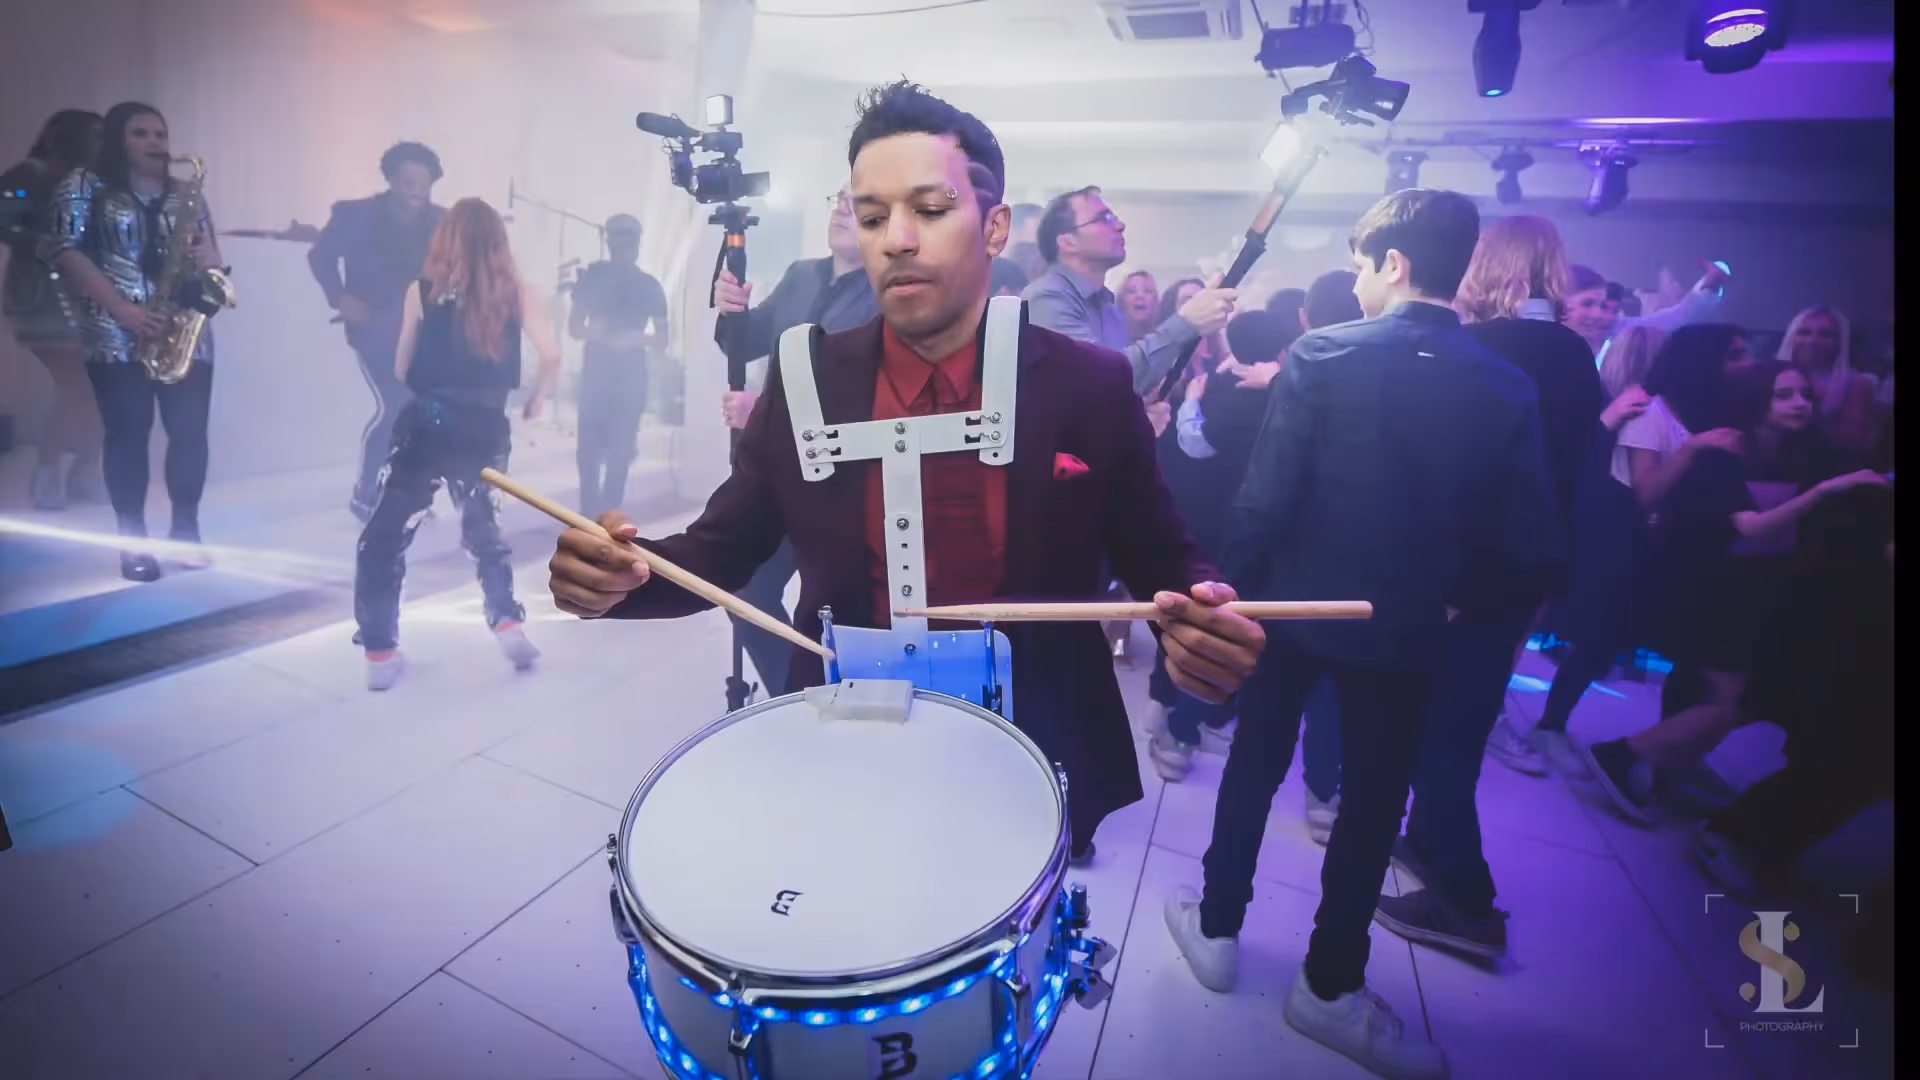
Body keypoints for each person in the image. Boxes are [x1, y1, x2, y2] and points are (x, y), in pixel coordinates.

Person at [547, 80, 1264, 866]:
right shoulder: (807, 377)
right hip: (846, 728)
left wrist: (1200, 622)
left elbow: (1160, 555)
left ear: (994, 228)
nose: (895, 240)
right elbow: (722, 548)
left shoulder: (1086, 383)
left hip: (1036, 735)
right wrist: (623, 576)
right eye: (871, 215)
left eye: (929, 209)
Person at [1164, 189, 1559, 1079]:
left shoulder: (1323, 353)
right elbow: (1531, 540)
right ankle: (1330, 984)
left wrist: (1231, 592)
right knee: (1373, 804)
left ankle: (1217, 931)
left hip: (1291, 609)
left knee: (1253, 769)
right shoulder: (1506, 383)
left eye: (1358, 266)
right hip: (1408, 625)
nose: (1356, 281)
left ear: (1393, 263)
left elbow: (1265, 498)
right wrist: (1457, 603)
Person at [1369, 215, 1607, 960]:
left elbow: (1461, 482)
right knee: (1460, 720)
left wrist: (1444, 582)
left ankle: (1466, 902)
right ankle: (1426, 842)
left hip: (1467, 578)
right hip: (1523, 572)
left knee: (1441, 732)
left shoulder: (1490, 349)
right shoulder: (1572, 350)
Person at [1581, 363, 1889, 823]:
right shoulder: (1723, 453)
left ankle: (1661, 768)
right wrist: (1826, 491)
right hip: (1713, 589)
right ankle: (1624, 755)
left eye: (1805, 394)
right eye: (1784, 395)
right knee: (1729, 703)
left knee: (1725, 694)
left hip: (1755, 591)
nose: (1800, 404)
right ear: (1757, 399)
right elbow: (1753, 528)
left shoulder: (1800, 452)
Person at [354, 198, 561, 691]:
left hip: (426, 426)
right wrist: (537, 400)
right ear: (498, 243)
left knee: (385, 535)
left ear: (445, 240)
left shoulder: (422, 291)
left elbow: (401, 367)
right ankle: (507, 622)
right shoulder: (519, 293)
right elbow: (551, 356)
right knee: (483, 529)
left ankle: (380, 652)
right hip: (483, 429)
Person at [44, 102, 225, 582]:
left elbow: (212, 263)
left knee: (190, 434)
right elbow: (66, 251)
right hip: (115, 332)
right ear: (117, 140)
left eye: (160, 133)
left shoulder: (186, 193)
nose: (154, 142)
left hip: (183, 330)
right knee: (127, 435)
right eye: (140, 133)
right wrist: (122, 309)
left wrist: (210, 259)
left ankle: (186, 530)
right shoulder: (85, 184)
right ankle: (133, 538)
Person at [714, 185, 880, 698]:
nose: (841, 210)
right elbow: (745, 342)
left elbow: (860, 391)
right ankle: (797, 698)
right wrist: (732, 311)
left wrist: (762, 414)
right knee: (745, 587)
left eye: (856, 204)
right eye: (837, 199)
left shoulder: (886, 293)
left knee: (836, 607)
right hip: (781, 474)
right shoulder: (801, 275)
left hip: (845, 482)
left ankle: (830, 700)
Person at [308, 141, 448, 522]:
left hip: (426, 334)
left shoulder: (444, 221)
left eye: (422, 183)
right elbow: (319, 256)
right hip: (375, 331)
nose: (414, 190)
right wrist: (340, 297)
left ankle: (411, 489)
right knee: (399, 404)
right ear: (391, 179)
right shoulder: (355, 214)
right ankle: (365, 493)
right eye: (406, 181)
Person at [1022, 185, 1237, 394]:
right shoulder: (1047, 299)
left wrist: (1138, 410)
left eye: (1114, 218)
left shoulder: (1110, 310)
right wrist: (1186, 321)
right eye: (1103, 219)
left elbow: (1114, 391)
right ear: (1068, 242)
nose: (1120, 225)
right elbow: (1102, 378)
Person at [2, 109, 103, 510]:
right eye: (96, 135)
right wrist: (38, 242)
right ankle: (52, 470)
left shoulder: (95, 179)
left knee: (95, 386)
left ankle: (84, 469)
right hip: (41, 296)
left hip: (87, 294)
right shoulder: (31, 175)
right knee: (78, 385)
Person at [570, 213, 668, 520]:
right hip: (598, 374)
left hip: (628, 375)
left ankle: (605, 516)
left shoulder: (649, 285)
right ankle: (591, 515)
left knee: (618, 453)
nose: (625, 248)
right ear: (610, 243)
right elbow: (575, 327)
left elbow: (663, 338)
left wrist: (635, 338)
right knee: (590, 452)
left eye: (629, 242)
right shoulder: (593, 278)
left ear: (637, 245)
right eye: (619, 242)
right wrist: (597, 333)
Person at [1776, 305, 1878, 457]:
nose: (1813, 340)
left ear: (1839, 342)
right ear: (1791, 337)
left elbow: (1856, 442)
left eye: (1825, 334)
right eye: (1804, 332)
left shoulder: (1857, 385)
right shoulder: (1768, 376)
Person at [1117, 269, 1159, 342]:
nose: (1140, 295)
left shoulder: (1165, 339)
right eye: (1131, 291)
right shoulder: (1107, 338)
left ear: (1155, 301)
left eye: (1147, 291)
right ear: (1122, 300)